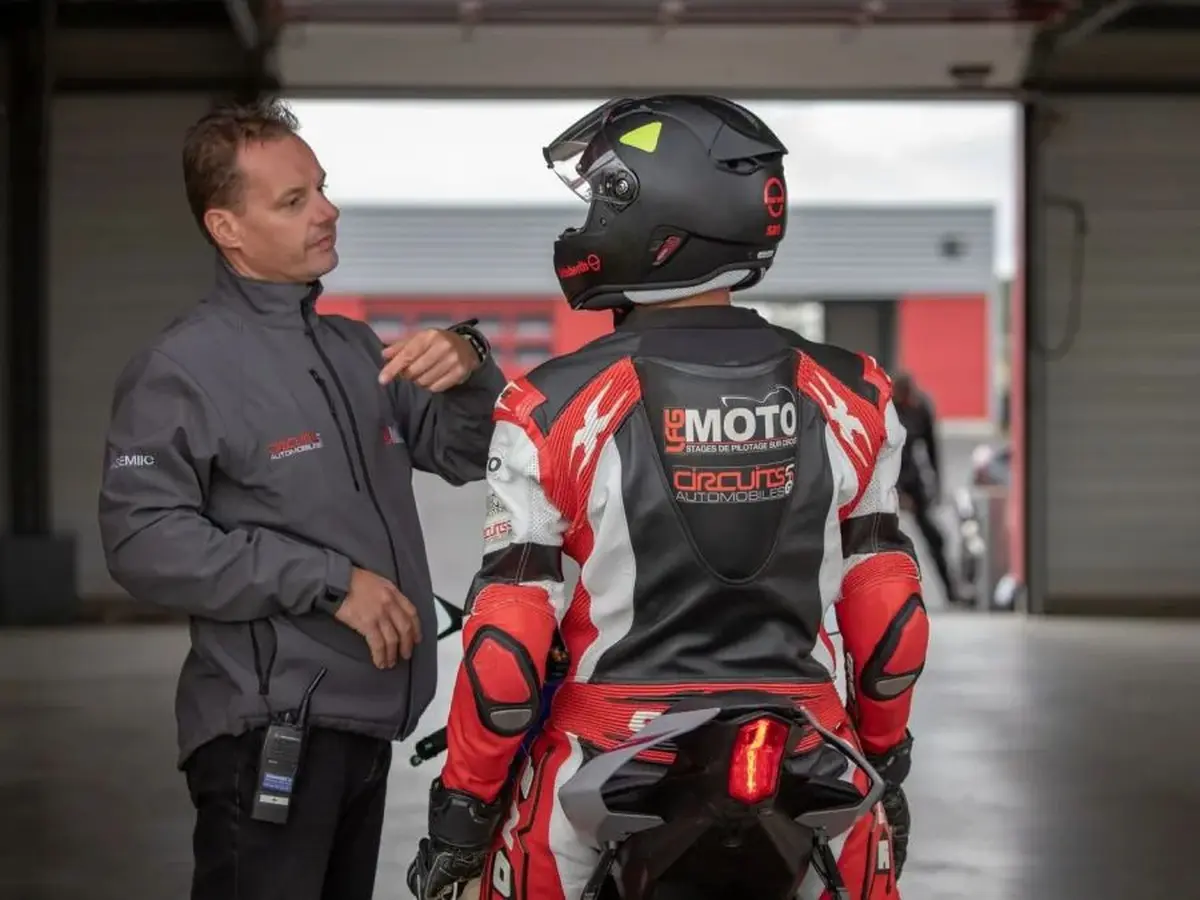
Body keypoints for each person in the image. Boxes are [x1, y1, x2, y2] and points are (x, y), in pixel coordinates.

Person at [407, 95, 930, 900]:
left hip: (608, 748)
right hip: (810, 745)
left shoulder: (548, 406)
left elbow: (508, 643)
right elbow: (891, 617)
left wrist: (462, 812)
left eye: (599, 200)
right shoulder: (855, 391)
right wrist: (885, 762)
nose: (585, 223)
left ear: (653, 217)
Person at [97, 99, 506, 900]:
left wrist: (469, 364)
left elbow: (464, 451)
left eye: (321, 187)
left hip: (364, 723)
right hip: (267, 735)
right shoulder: (183, 369)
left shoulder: (352, 349)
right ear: (227, 228)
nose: (327, 211)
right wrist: (328, 581)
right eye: (294, 201)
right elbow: (143, 540)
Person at [892, 371, 960, 605]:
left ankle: (952, 590)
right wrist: (897, 490)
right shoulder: (887, 409)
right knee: (887, 541)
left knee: (935, 538)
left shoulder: (920, 409)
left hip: (913, 479)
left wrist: (936, 486)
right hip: (889, 480)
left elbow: (932, 450)